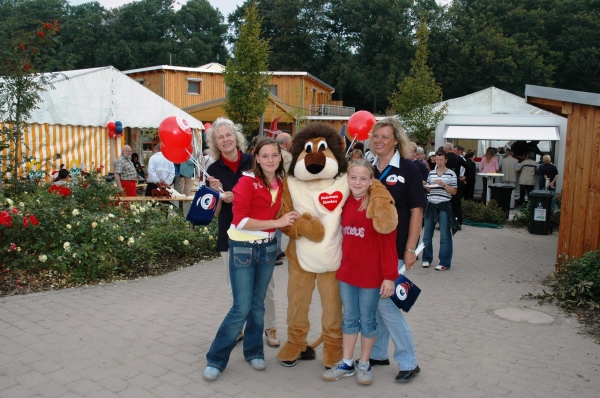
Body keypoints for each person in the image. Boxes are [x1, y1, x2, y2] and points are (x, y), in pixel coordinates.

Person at [203, 138, 301, 382]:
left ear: (280, 157)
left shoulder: (281, 183)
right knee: (241, 307)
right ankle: (216, 358)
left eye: (274, 156)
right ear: (256, 158)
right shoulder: (247, 182)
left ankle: (254, 351)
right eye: (265, 155)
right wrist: (276, 223)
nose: (270, 160)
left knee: (258, 305)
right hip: (243, 248)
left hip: (267, 249)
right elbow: (240, 221)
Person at [206, 118, 280, 348]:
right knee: (235, 286)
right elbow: (215, 212)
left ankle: (270, 327)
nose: (226, 139)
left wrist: (235, 197)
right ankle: (238, 326)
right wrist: (215, 193)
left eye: (229, 135)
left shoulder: (254, 161)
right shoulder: (212, 170)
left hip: (259, 232)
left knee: (265, 286)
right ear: (215, 143)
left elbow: (269, 192)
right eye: (220, 137)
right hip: (230, 233)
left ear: (236, 136)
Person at [322, 159, 397, 385]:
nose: (357, 182)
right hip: (347, 273)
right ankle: (347, 362)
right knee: (350, 319)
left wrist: (389, 276)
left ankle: (364, 363)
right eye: (353, 177)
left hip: (371, 277)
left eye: (363, 178)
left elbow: (388, 243)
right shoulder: (343, 202)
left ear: (372, 180)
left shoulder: (378, 204)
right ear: (347, 179)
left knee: (368, 320)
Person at [369, 118, 426, 382]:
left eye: (385, 136)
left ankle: (408, 361)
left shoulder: (409, 169)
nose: (379, 141)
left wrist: (410, 248)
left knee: (386, 304)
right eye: (376, 136)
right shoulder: (367, 169)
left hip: (396, 249)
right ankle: (379, 353)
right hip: (371, 250)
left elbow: (417, 210)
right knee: (379, 303)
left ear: (395, 141)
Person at [422, 150, 459, 271]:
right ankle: (426, 258)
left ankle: (444, 262)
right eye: (437, 160)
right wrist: (427, 186)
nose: (439, 162)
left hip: (444, 205)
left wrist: (443, 184)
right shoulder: (431, 173)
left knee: (444, 235)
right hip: (431, 204)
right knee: (427, 234)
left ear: (446, 160)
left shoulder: (451, 174)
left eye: (441, 160)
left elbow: (454, 191)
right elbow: (429, 190)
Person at [444, 143, 470, 225]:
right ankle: (458, 221)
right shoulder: (458, 158)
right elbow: (469, 167)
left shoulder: (445, 158)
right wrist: (465, 177)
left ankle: (446, 222)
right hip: (456, 181)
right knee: (457, 202)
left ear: (445, 149)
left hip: (446, 182)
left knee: (446, 201)